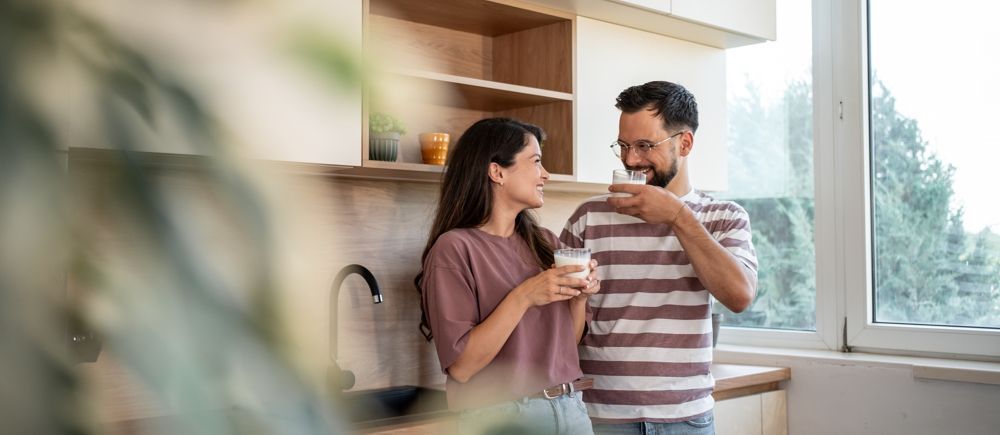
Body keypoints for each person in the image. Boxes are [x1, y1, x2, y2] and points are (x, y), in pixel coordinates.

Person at [560, 81, 758, 434]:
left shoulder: (724, 216)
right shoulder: (588, 217)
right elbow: (560, 325)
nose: (631, 159)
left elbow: (739, 296)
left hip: (686, 418)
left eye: (645, 146)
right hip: (601, 417)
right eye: (623, 146)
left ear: (685, 143)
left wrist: (678, 216)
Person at [415, 117, 601, 435]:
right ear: (497, 172)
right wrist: (525, 296)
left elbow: (564, 346)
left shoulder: (545, 243)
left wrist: (579, 300)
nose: (546, 174)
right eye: (537, 162)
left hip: (569, 408)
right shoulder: (454, 249)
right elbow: (462, 366)